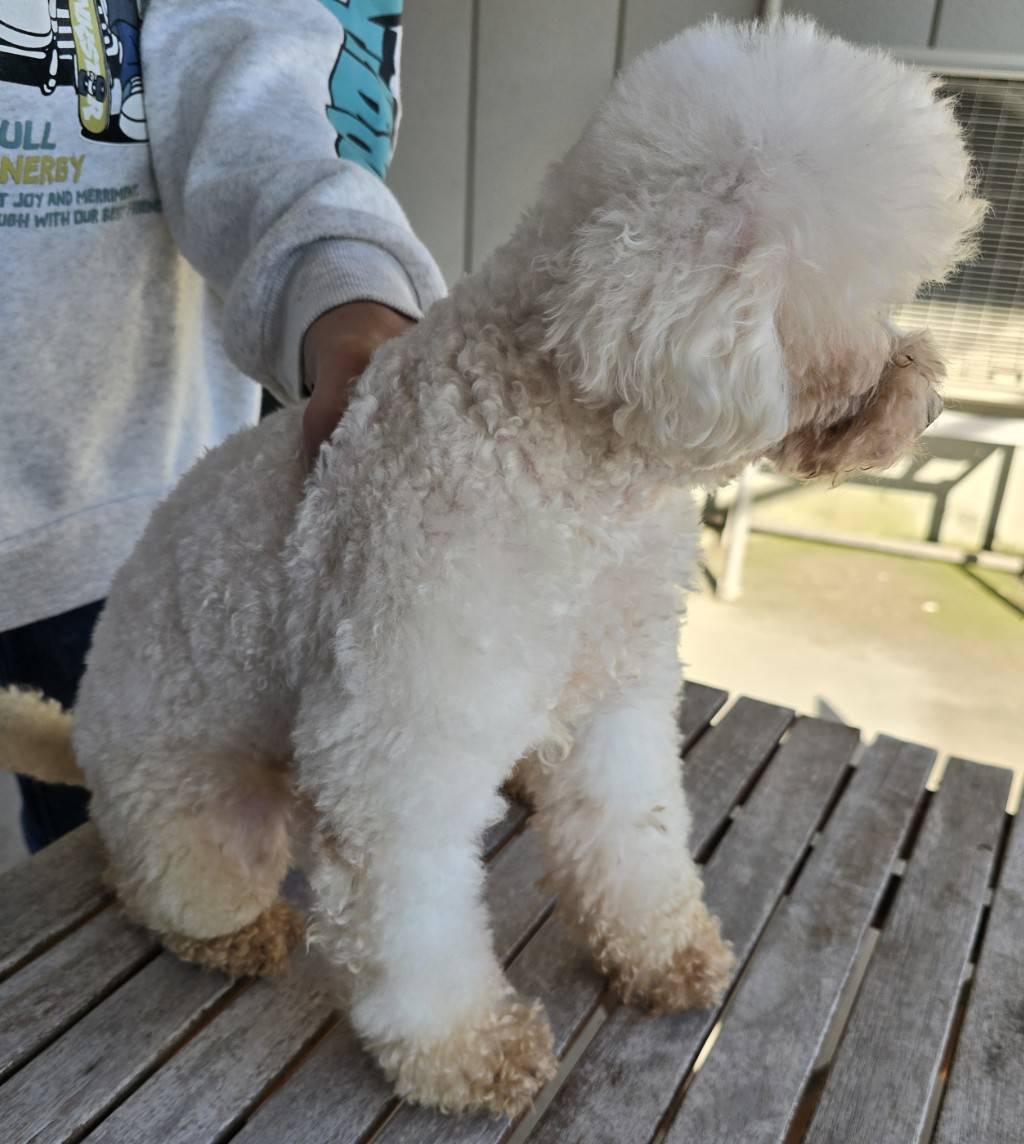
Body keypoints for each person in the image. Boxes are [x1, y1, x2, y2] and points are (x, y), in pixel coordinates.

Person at [0, 0, 444, 851]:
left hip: (129, 521)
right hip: (143, 520)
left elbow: (255, 89)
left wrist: (346, 287)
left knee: (138, 872)